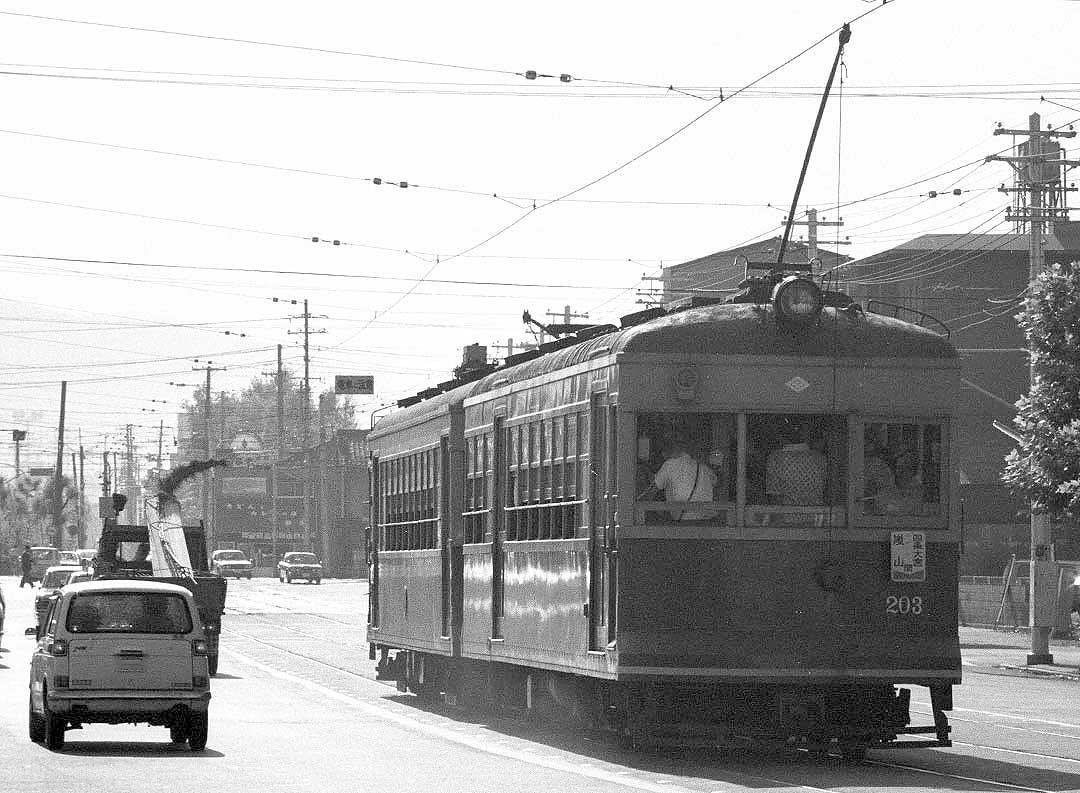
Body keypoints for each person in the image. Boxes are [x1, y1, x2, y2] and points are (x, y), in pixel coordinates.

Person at [640, 436, 717, 521]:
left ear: (664, 453)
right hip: (709, 522)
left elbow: (651, 493)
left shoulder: (669, 465)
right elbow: (716, 482)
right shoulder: (703, 468)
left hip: (686, 523)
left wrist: (635, 504)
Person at [765, 419, 827, 506]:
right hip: (816, 516)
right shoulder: (820, 458)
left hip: (785, 516)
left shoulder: (775, 458)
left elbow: (774, 496)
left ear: (781, 436)